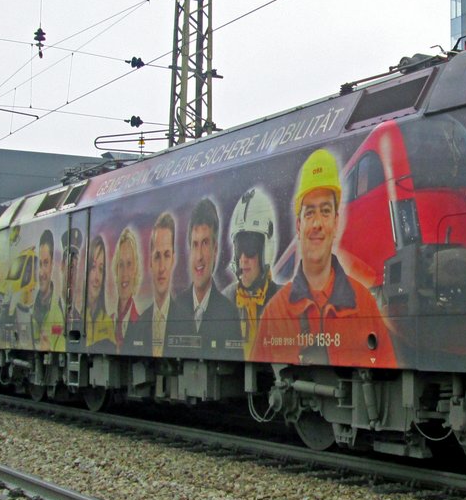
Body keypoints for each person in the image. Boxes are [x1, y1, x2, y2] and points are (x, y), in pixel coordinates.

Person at [255, 149, 394, 366]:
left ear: (336, 222)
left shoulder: (364, 305)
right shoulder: (275, 313)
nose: (317, 224)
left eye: (326, 211)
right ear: (299, 225)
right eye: (309, 212)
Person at [169, 198, 242, 350]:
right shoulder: (176, 308)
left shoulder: (229, 313)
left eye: (205, 243)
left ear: (215, 250)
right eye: (195, 245)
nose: (199, 256)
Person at [223, 188, 282, 357]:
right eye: (239, 248)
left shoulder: (284, 300)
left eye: (250, 247)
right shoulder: (225, 301)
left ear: (266, 250)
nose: (243, 258)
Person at [132, 212, 178, 357]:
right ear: (150, 262)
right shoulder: (138, 325)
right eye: (157, 256)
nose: (162, 267)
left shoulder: (189, 322)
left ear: (173, 260)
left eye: (167, 255)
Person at [32, 229, 65, 350]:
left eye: (45, 263)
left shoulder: (59, 314)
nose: (41, 273)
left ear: (52, 265)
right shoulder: (31, 308)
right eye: (40, 264)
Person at [85, 235, 115, 352]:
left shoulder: (108, 324)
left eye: (101, 269)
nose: (97, 277)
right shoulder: (77, 317)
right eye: (93, 267)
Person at [112, 227, 141, 351]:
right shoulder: (108, 321)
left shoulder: (141, 325)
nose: (124, 273)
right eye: (121, 265)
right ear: (116, 269)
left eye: (129, 264)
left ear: (135, 270)